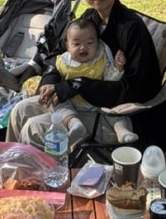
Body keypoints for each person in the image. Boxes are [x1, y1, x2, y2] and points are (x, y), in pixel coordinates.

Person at [6, 0, 166, 152]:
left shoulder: (130, 28)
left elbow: (136, 90)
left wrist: (77, 85)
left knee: (34, 128)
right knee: (20, 110)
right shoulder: (90, 18)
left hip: (118, 116)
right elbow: (58, 54)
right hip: (77, 103)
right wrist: (51, 81)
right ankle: (10, 165)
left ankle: (40, 170)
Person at [48, 16, 137, 145]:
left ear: (98, 43)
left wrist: (117, 67)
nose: (83, 48)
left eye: (90, 43)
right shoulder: (63, 62)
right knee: (58, 103)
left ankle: (122, 131)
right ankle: (74, 123)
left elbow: (110, 81)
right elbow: (53, 76)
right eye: (76, 44)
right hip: (73, 103)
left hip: (98, 103)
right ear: (67, 46)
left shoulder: (101, 59)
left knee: (115, 111)